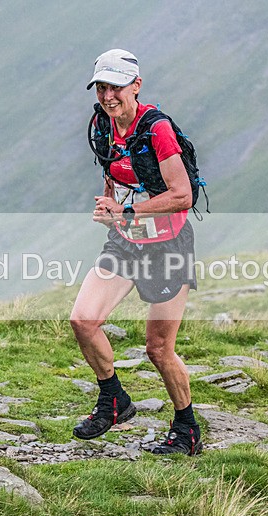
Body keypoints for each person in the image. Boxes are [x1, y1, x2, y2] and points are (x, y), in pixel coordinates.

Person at [69, 49, 202, 456]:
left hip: (168, 246)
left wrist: (127, 211)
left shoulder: (157, 130)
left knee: (158, 349)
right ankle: (113, 399)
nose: (108, 96)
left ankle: (186, 428)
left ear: (136, 86)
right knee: (83, 320)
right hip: (126, 241)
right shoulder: (103, 125)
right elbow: (113, 172)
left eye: (116, 87)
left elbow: (182, 195)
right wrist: (109, 208)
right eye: (102, 88)